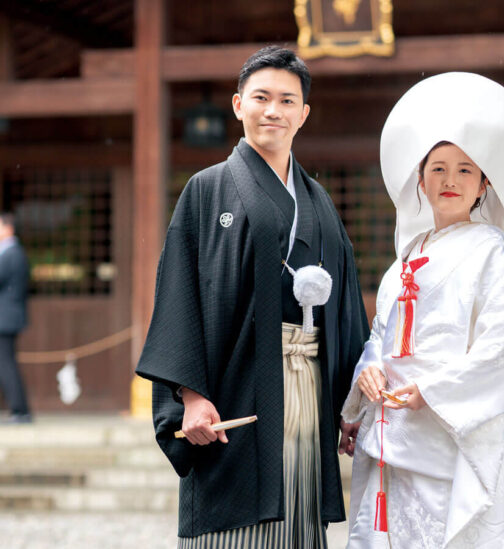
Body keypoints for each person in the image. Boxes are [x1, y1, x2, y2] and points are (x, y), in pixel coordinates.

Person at [135, 46, 369, 548]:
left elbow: (347, 308)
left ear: (303, 115)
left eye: (287, 101)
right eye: (261, 97)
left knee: (298, 511)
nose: (273, 110)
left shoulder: (319, 202)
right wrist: (191, 397)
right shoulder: (206, 190)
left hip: (307, 386)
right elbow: (180, 295)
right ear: (238, 104)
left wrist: (351, 405)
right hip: (235, 386)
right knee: (235, 520)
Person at [341, 73, 504, 548]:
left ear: (483, 184)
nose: (451, 180)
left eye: (465, 170)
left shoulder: (491, 254)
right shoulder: (405, 260)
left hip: (448, 432)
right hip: (393, 431)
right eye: (438, 169)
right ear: (420, 182)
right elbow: (380, 337)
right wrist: (366, 376)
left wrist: (431, 390)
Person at [0, 211, 32, 424]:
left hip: (5, 318)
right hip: (8, 317)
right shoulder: (13, 252)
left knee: (6, 364)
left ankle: (20, 410)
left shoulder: (12, 253)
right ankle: (19, 410)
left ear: (8, 228)